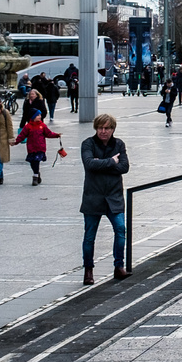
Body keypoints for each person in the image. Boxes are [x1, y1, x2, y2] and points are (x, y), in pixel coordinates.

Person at [80, 114, 131, 286]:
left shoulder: (119, 144)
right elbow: (89, 164)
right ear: (96, 128)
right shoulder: (88, 144)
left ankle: (119, 266)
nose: (103, 131)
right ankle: (88, 270)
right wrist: (111, 162)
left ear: (112, 129)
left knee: (120, 229)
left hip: (114, 197)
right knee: (89, 237)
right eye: (100, 128)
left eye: (107, 128)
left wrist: (100, 164)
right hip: (93, 197)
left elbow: (124, 167)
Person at [12, 110, 60, 186]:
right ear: (33, 117)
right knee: (32, 162)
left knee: (36, 161)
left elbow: (48, 133)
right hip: (31, 148)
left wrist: (56, 135)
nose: (40, 116)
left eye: (40, 115)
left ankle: (35, 176)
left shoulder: (42, 126)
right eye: (38, 115)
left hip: (40, 148)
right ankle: (37, 173)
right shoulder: (28, 127)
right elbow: (22, 136)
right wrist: (15, 142)